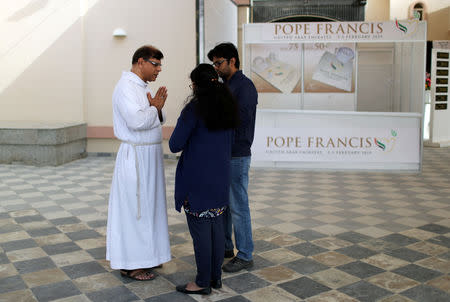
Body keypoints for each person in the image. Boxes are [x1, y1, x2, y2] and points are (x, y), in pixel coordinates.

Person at [170, 64, 239, 295]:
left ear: (197, 85)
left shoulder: (194, 109)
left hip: (197, 180)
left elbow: (175, 144)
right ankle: (215, 278)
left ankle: (201, 282)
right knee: (217, 230)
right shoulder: (228, 107)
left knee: (201, 233)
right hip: (220, 178)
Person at [106, 45, 171, 281]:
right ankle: (131, 264)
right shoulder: (125, 87)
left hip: (149, 156)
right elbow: (136, 121)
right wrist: (155, 108)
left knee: (150, 207)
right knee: (136, 209)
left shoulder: (142, 87)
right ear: (140, 62)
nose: (159, 70)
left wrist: (156, 109)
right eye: (155, 64)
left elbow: (155, 118)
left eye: (160, 65)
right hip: (135, 157)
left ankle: (149, 256)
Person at [208, 43, 258, 273]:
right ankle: (227, 248)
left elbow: (241, 122)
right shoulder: (223, 85)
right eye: (214, 64)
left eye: (219, 63)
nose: (216, 68)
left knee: (238, 206)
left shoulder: (245, 87)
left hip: (236, 154)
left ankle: (245, 254)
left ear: (233, 61)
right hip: (222, 153)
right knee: (224, 205)